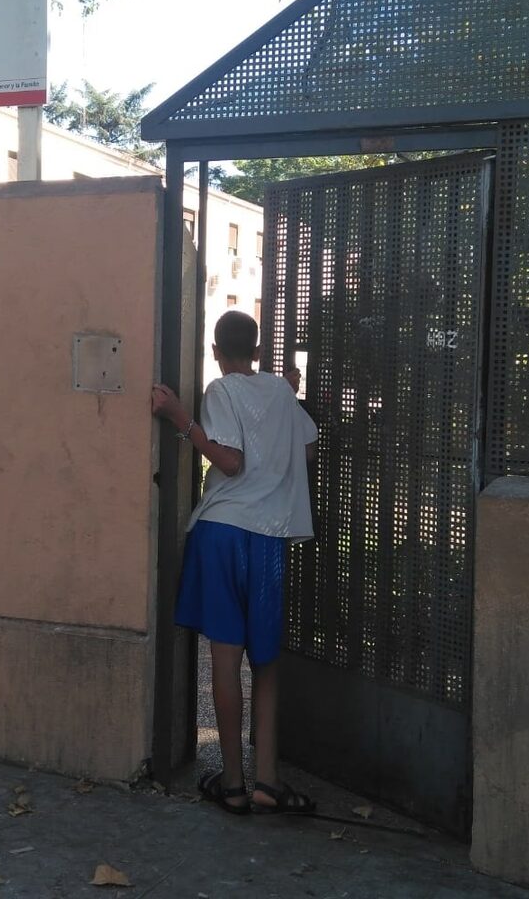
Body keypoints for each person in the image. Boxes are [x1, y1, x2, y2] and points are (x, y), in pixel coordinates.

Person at [151, 311, 318, 816]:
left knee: (225, 661)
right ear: (258, 351)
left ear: (217, 352)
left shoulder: (220, 390)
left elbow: (229, 460)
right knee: (265, 662)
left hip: (224, 532)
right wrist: (285, 398)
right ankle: (267, 780)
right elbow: (308, 450)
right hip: (270, 537)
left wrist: (181, 419)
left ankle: (232, 784)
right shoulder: (281, 391)